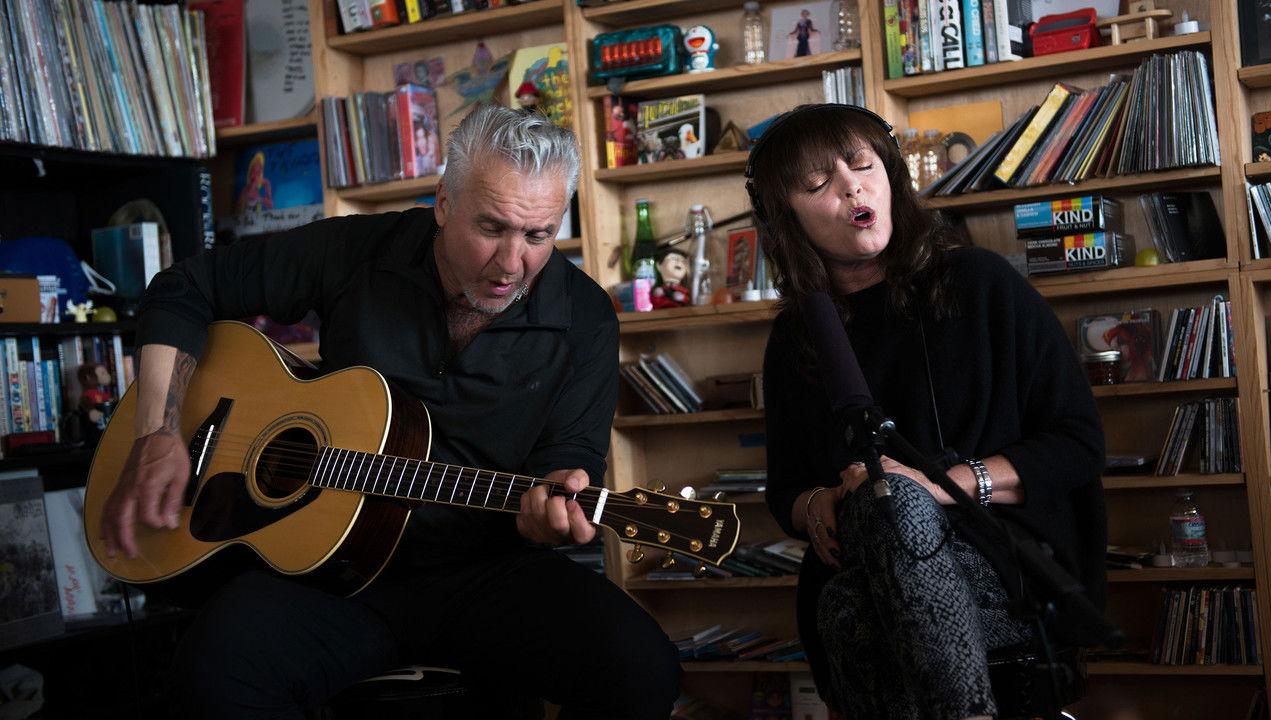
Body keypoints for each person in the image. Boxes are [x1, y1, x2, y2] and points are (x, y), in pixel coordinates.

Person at [97, 105, 681, 720]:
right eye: (491, 227)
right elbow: (184, 289)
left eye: (537, 236)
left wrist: (553, 509)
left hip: (487, 578)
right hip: (327, 575)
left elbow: (571, 460)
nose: (511, 263)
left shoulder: (585, 318)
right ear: (444, 203)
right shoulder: (358, 251)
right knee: (212, 668)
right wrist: (159, 432)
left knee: (642, 671)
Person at [745, 104, 1106, 719]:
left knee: (896, 508)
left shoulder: (983, 284)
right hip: (860, 570)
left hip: (1000, 558)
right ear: (786, 216)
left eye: (863, 165)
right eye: (817, 183)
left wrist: (941, 486)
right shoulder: (798, 337)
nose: (853, 185)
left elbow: (1077, 444)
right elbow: (787, 491)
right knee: (850, 593)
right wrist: (817, 506)